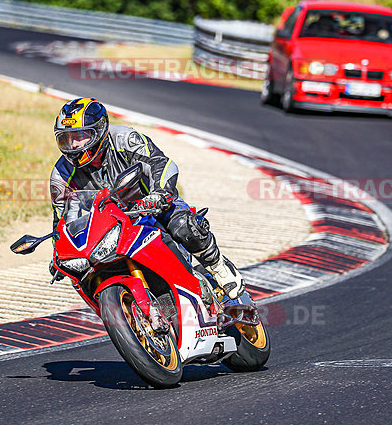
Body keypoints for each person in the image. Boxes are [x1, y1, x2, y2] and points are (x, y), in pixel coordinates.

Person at [48, 97, 246, 300]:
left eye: (79, 136)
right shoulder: (61, 174)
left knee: (183, 225)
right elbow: (61, 219)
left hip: (152, 206)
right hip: (109, 225)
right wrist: (59, 252)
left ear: (99, 130)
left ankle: (218, 266)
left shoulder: (125, 138)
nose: (73, 146)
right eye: (66, 139)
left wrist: (159, 194)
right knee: (80, 271)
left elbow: (162, 163)